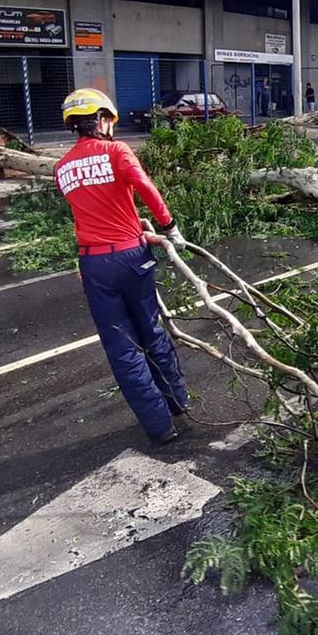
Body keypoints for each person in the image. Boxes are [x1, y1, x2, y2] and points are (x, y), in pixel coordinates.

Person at [54, 87, 189, 444]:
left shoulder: (62, 167)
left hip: (94, 263)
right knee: (151, 330)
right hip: (132, 259)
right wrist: (168, 226)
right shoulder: (116, 150)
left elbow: (89, 212)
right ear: (101, 119)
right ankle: (178, 401)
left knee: (122, 348)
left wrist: (132, 228)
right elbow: (143, 186)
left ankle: (161, 429)